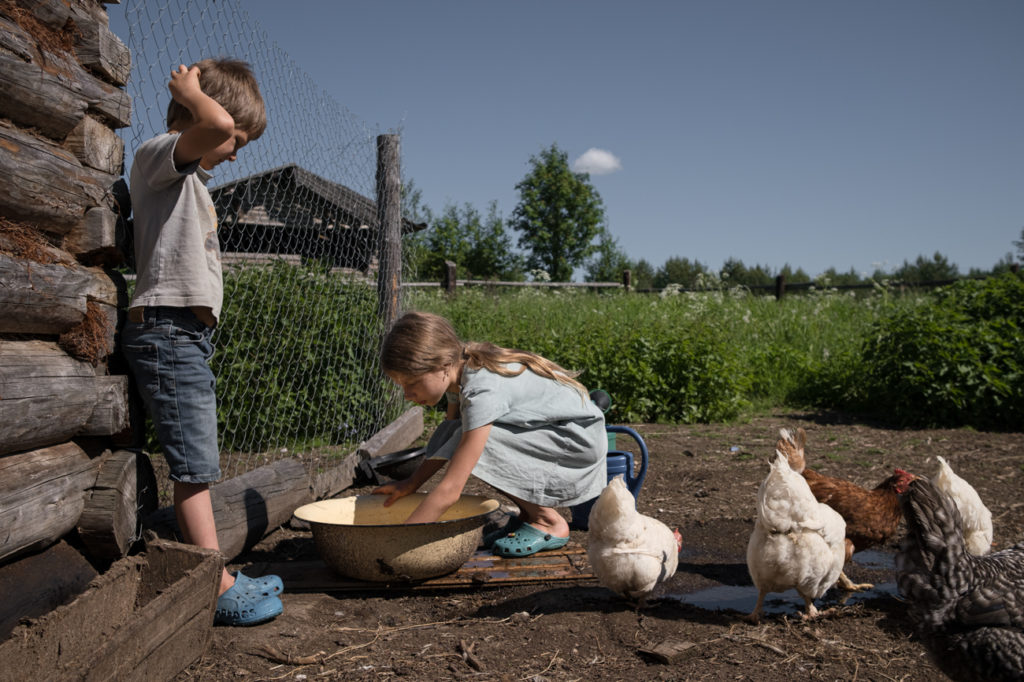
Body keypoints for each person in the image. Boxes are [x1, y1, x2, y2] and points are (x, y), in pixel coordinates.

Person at [121, 58, 283, 626]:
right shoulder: (158, 156)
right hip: (166, 330)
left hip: (182, 334)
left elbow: (214, 131)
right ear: (197, 115)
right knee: (194, 466)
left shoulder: (188, 176)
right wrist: (192, 94)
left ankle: (219, 573)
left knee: (199, 459)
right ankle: (212, 581)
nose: (236, 152)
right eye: (237, 139)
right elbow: (212, 128)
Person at [373, 311, 608, 557]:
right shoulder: (459, 374)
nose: (407, 395)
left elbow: (450, 490)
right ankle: (528, 516)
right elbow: (447, 438)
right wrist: (411, 483)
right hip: (559, 435)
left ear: (442, 366)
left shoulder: (481, 391)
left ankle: (548, 521)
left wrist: (398, 542)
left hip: (576, 443)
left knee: (475, 445)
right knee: (464, 437)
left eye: (411, 383)